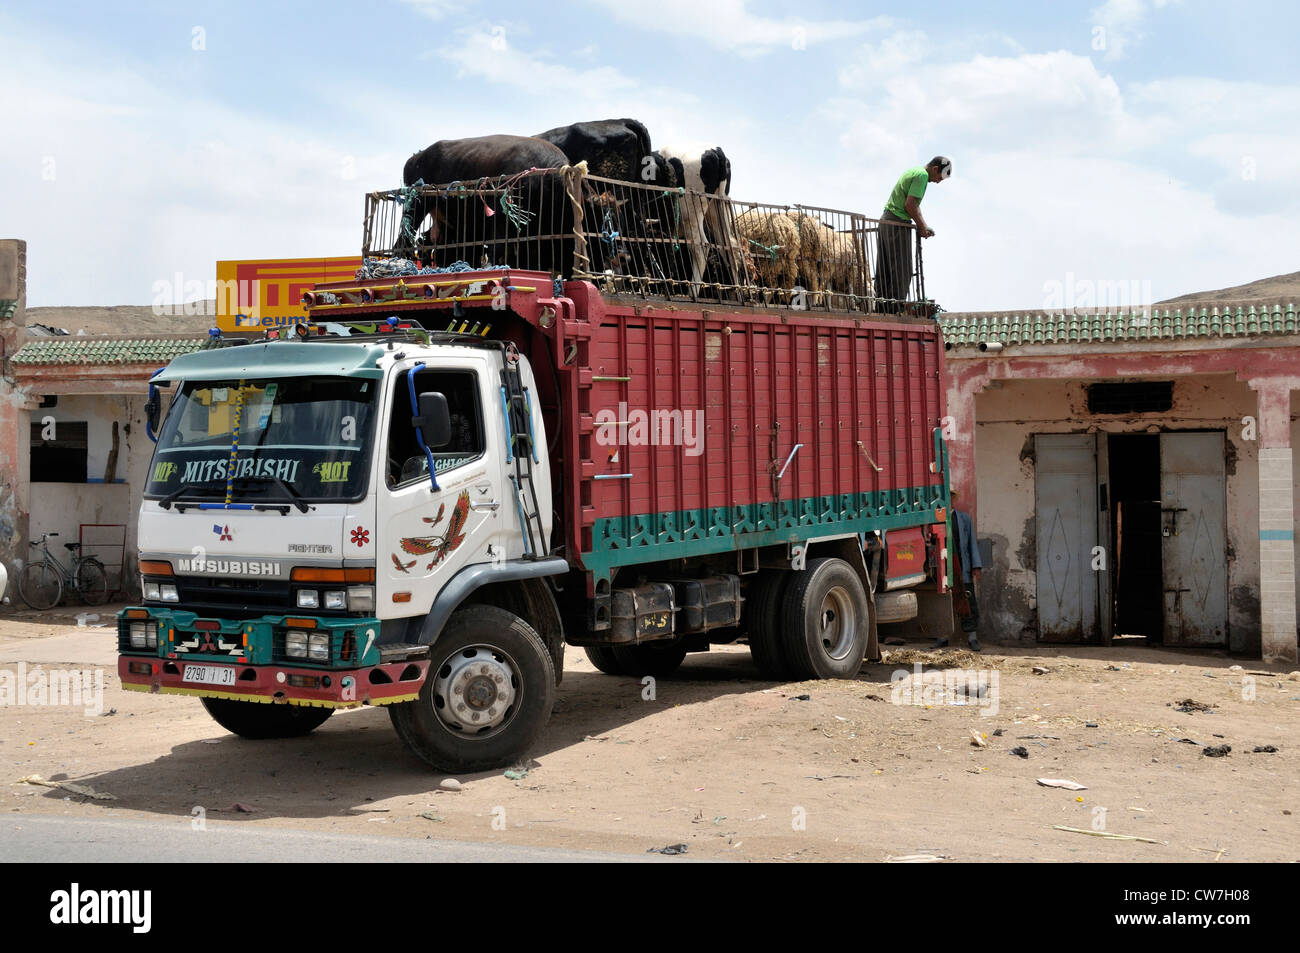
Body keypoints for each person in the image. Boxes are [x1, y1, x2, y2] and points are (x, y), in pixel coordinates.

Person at [875, 156, 951, 313]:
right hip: (897, 223)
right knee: (902, 269)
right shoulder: (922, 175)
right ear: (935, 169)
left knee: (885, 268)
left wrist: (923, 225)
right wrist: (922, 226)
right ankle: (893, 309)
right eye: (939, 178)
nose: (937, 182)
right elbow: (910, 204)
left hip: (886, 221)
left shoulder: (913, 170)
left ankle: (880, 306)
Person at [932, 487, 982, 652]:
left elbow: (971, 544)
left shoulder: (964, 519)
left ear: (954, 499)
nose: (948, 500)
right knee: (944, 603)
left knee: (967, 602)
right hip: (944, 569)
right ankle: (943, 637)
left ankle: (972, 637)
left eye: (950, 497)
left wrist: (976, 566)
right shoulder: (936, 520)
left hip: (962, 568)